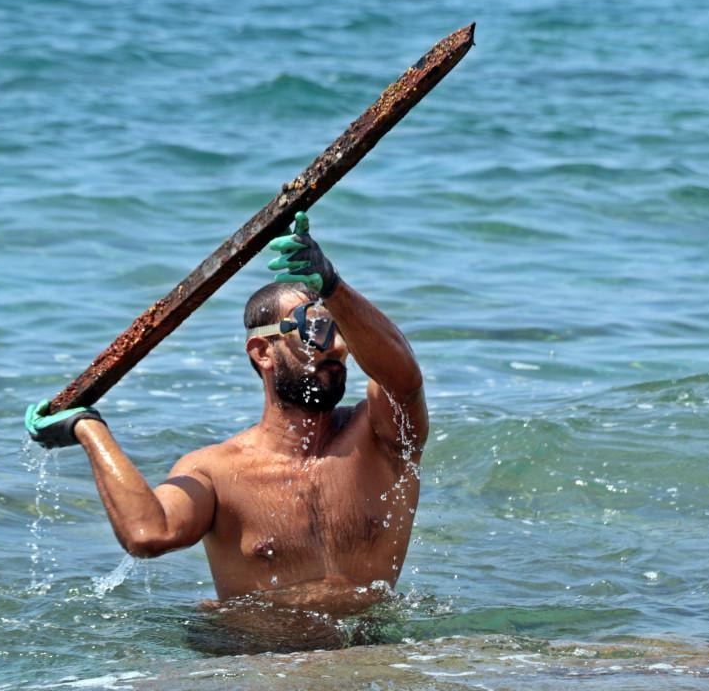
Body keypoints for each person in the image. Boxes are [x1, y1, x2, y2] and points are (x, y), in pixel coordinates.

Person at [25, 211, 428, 622]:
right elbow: (149, 533)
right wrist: (88, 428)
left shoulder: (380, 437)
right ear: (262, 351)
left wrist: (333, 286)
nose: (337, 347)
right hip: (256, 657)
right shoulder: (215, 472)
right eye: (315, 329)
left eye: (340, 330)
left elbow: (404, 380)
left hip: (373, 652)